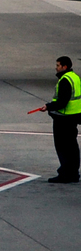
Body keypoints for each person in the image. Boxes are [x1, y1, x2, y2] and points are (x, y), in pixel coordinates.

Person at [29, 56, 81, 184]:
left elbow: (62, 102)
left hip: (63, 119)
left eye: (58, 65)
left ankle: (66, 174)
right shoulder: (75, 77)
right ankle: (73, 173)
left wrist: (48, 107)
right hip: (74, 117)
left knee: (63, 148)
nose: (56, 68)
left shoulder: (65, 80)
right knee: (72, 147)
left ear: (64, 67)